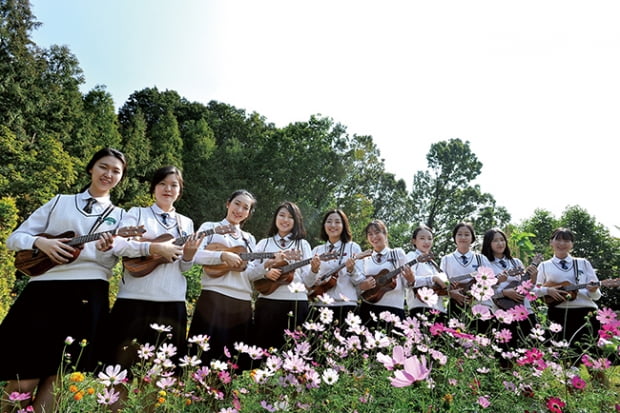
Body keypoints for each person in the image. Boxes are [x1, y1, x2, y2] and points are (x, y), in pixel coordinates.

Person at [0, 148, 127, 413]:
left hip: (89, 294)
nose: (109, 174)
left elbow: (111, 264)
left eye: (116, 171)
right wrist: (40, 241)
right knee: (24, 378)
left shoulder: (122, 216)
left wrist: (105, 251)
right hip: (43, 293)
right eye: (104, 167)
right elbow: (15, 239)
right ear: (91, 168)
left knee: (59, 379)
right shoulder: (60, 201)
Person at [105, 166, 203, 375]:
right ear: (153, 188)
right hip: (133, 301)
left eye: (173, 185)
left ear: (180, 190)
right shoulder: (137, 213)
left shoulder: (186, 223)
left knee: (161, 375)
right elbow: (119, 245)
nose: (168, 189)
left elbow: (184, 267)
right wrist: (152, 247)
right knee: (122, 371)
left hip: (171, 303)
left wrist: (189, 255)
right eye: (162, 184)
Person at [188, 190, 258, 366]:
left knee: (232, 360)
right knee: (203, 356)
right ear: (228, 203)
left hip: (241, 303)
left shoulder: (249, 239)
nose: (239, 210)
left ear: (249, 213)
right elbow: (193, 255)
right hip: (213, 298)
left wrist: (268, 266)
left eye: (245, 208)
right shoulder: (210, 227)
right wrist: (222, 256)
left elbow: (252, 273)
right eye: (237, 203)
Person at [250, 201, 316, 351]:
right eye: (282, 215)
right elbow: (250, 272)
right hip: (267, 302)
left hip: (296, 303)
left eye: (290, 217)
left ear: (296, 221)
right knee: (262, 350)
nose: (285, 220)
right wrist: (266, 271)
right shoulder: (264, 244)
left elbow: (308, 281)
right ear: (275, 218)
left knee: (293, 352)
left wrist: (314, 269)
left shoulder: (302, 244)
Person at [533, 228, 601, 358]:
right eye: (558, 239)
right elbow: (533, 291)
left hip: (586, 312)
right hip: (558, 314)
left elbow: (596, 296)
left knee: (591, 356)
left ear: (572, 244)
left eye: (566, 240)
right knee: (563, 357)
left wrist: (593, 291)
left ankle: (599, 379)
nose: (562, 243)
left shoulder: (582, 263)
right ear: (551, 242)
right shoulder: (544, 266)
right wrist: (548, 290)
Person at [481, 228, 538, 349]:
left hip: (522, 308)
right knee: (506, 349)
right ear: (488, 243)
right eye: (495, 240)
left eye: (502, 240)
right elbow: (484, 291)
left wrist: (533, 278)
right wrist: (503, 292)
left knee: (530, 346)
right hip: (501, 311)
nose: (500, 243)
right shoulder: (485, 263)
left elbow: (526, 287)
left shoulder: (515, 262)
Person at [307, 209, 366, 326]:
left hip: (346, 306)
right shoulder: (317, 250)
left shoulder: (353, 248)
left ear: (344, 225)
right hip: (319, 305)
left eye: (337, 222)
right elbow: (308, 283)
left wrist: (351, 270)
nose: (333, 225)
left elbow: (361, 282)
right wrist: (314, 271)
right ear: (324, 225)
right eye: (329, 221)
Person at [358, 220, 415, 328]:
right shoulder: (365, 258)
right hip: (368, 309)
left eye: (377, 232)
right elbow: (358, 285)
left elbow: (407, 284)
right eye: (370, 234)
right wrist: (361, 286)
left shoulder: (397, 253)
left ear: (385, 234)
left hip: (394, 309)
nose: (374, 236)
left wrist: (411, 279)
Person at [440, 222, 493, 330]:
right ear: (454, 237)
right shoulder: (446, 259)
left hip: (479, 305)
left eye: (467, 234)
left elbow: (490, 281)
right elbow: (442, 284)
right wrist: (451, 292)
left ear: (472, 238)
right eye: (459, 234)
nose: (463, 237)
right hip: (455, 305)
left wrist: (474, 293)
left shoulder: (481, 258)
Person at [405, 225, 448, 319]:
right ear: (414, 241)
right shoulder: (412, 256)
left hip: (438, 309)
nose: (426, 242)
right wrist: (432, 278)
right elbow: (408, 281)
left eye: (429, 238)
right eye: (422, 238)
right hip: (420, 308)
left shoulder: (433, 263)